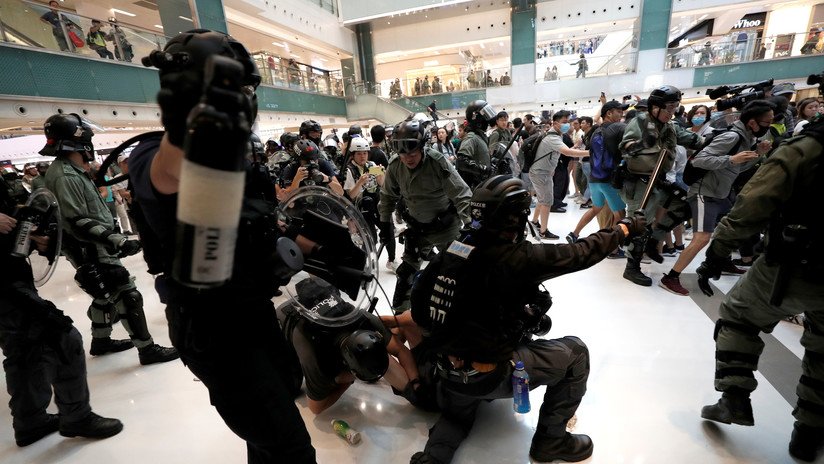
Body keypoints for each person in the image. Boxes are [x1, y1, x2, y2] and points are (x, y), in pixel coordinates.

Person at [133, 29, 316, 463]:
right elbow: (173, 169)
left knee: (275, 418)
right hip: (212, 328)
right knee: (289, 446)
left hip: (251, 309)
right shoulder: (151, 154)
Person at [408, 175, 647, 464]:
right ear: (516, 217)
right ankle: (551, 441)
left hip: (447, 373)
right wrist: (623, 229)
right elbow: (581, 252)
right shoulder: (518, 257)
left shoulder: (452, 249)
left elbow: (419, 310)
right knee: (576, 353)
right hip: (490, 375)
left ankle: (431, 458)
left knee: (457, 416)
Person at [696, 113, 824, 463]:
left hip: (796, 267)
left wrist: (718, 253)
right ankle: (809, 433)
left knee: (737, 315)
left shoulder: (807, 148)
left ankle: (734, 397)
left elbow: (752, 205)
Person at [41, 113, 179, 365]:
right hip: (91, 249)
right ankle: (147, 349)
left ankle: (101, 340)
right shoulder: (65, 175)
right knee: (127, 294)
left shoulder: (71, 171)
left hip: (94, 247)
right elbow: (77, 221)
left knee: (105, 298)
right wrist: (118, 241)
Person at [0, 180, 123, 448]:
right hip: (5, 288)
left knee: (23, 350)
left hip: (14, 276)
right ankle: (76, 416)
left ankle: (30, 422)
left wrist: (33, 239)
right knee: (64, 337)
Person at [658, 100, 773, 296]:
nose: (768, 126)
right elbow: (701, 160)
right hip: (705, 192)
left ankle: (724, 262)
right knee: (702, 237)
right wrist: (731, 159)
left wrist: (757, 154)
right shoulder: (731, 136)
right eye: (766, 122)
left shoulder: (747, 139)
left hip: (721, 193)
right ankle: (671, 276)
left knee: (730, 230)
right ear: (753, 122)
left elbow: (736, 169)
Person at [277, 277, 417, 414]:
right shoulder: (316, 357)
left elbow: (399, 349)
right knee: (292, 388)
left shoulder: (363, 318)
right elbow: (316, 408)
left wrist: (416, 384)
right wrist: (346, 382)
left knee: (371, 359)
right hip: (283, 323)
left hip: (318, 303)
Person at [379, 118, 472, 312]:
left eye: (412, 152)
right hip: (418, 229)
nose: (408, 158)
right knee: (405, 274)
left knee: (458, 273)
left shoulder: (438, 162)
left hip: (446, 228)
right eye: (402, 153)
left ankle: (462, 315)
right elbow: (387, 196)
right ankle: (401, 317)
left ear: (421, 147)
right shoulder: (396, 165)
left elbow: (462, 195)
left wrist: (472, 226)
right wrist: (385, 224)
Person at [617, 85, 703, 286]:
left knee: (683, 206)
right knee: (638, 224)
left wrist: (710, 140)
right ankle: (632, 267)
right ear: (655, 107)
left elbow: (688, 137)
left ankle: (654, 241)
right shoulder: (639, 121)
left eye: (674, 108)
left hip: (660, 180)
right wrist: (643, 143)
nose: (671, 112)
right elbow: (625, 148)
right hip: (639, 183)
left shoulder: (669, 125)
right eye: (668, 108)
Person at [344, 137, 396, 271]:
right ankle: (365, 262)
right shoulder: (349, 170)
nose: (363, 156)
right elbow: (351, 195)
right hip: (361, 207)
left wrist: (381, 174)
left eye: (365, 153)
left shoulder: (372, 165)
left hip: (377, 203)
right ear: (353, 155)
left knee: (388, 231)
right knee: (370, 237)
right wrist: (360, 182)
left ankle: (391, 260)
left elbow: (382, 184)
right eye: (359, 153)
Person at [456, 100, 497, 188]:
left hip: (482, 184)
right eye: (485, 114)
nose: (488, 118)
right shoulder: (472, 137)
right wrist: (485, 169)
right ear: (476, 117)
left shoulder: (480, 136)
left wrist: (492, 162)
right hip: (475, 186)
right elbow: (462, 161)